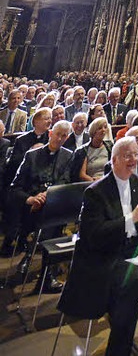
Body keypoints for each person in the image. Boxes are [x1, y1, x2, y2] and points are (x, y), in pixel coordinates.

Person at [59, 137, 138, 356]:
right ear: (114, 159)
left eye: (136, 154)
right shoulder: (96, 192)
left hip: (133, 248)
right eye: (128, 155)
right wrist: (133, 217)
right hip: (106, 255)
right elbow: (94, 236)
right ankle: (119, 349)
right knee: (136, 278)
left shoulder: (137, 183)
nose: (133, 160)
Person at [5, 120, 74, 287]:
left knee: (51, 219)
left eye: (65, 136)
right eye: (58, 134)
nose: (61, 139)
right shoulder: (32, 155)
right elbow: (15, 187)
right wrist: (31, 199)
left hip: (53, 204)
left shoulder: (68, 156)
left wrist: (47, 196)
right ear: (50, 134)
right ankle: (46, 275)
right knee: (49, 222)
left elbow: (64, 182)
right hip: (30, 207)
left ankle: (30, 254)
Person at [73, 116, 113, 182]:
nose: (103, 130)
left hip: (108, 181)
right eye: (100, 128)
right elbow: (82, 175)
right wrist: (95, 181)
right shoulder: (83, 151)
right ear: (93, 131)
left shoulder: (110, 146)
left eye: (105, 127)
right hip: (90, 183)